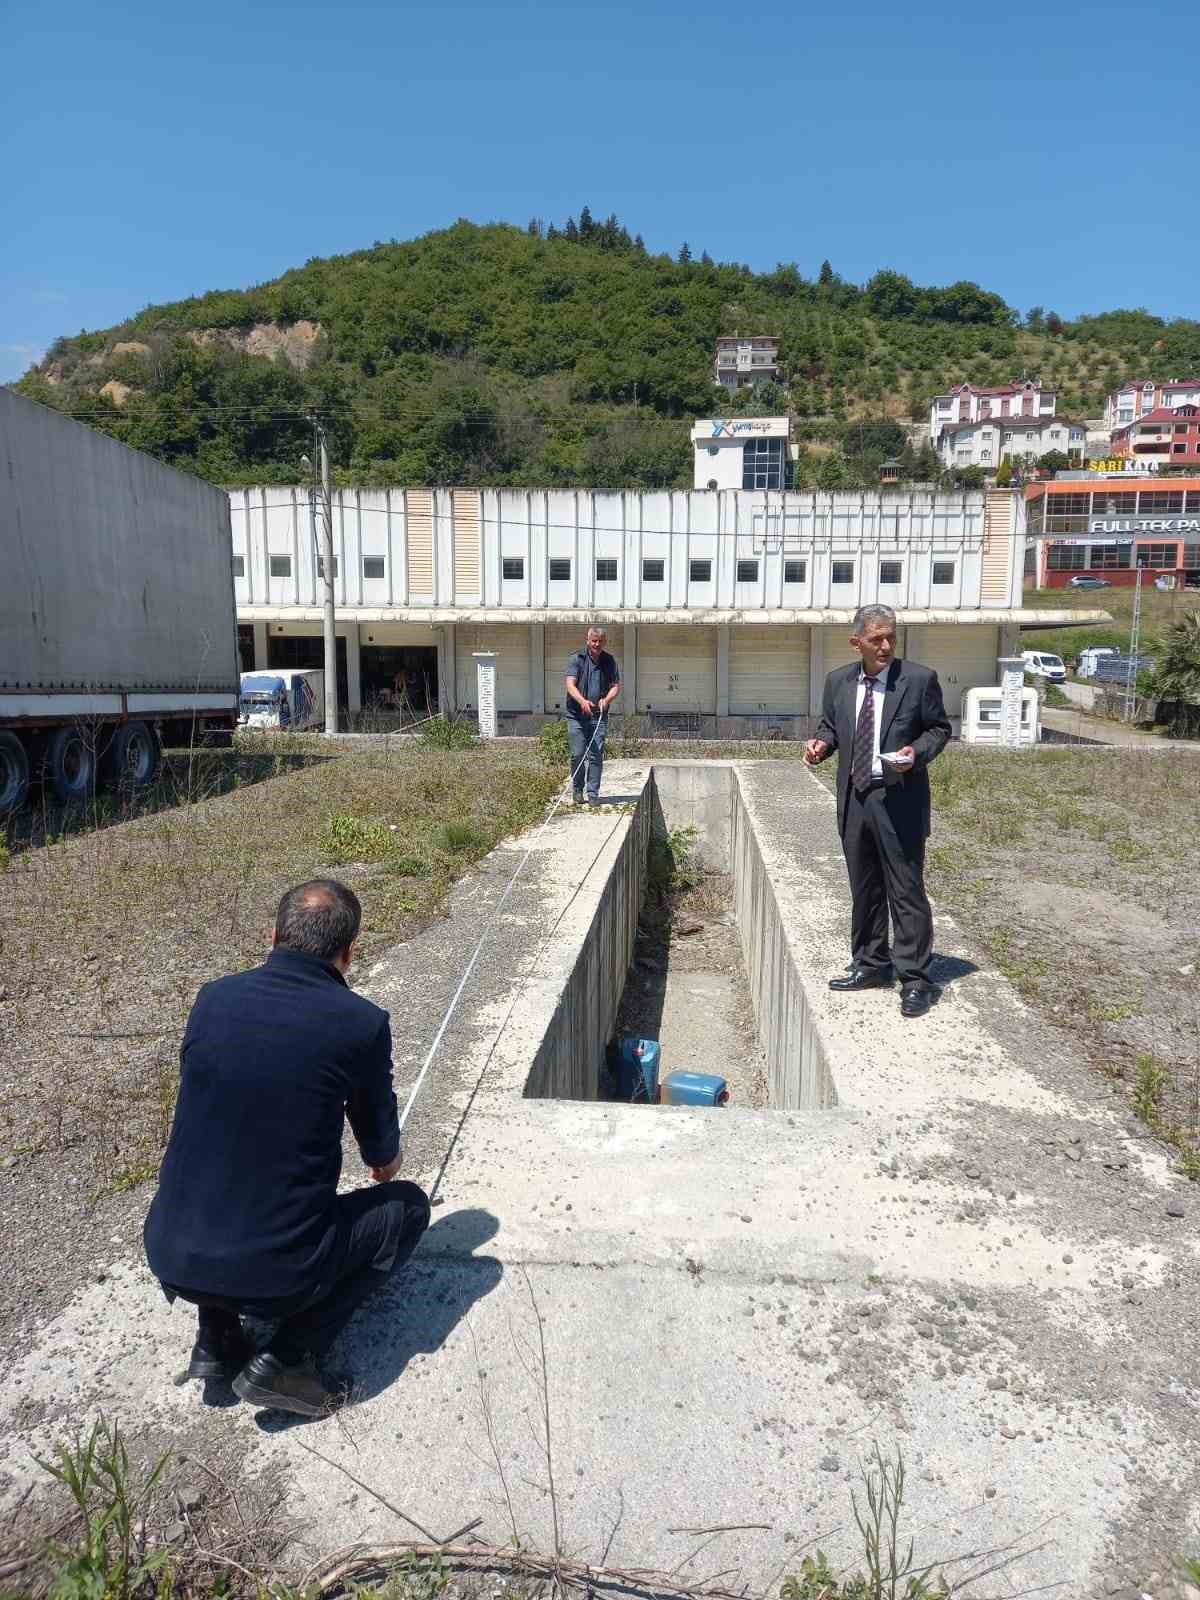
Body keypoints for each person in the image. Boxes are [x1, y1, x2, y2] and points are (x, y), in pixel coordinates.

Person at [144, 879, 430, 1416]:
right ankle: (290, 1359)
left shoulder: (213, 998)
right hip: (277, 1272)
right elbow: (380, 1153)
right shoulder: (360, 1023)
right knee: (408, 1208)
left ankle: (216, 1341)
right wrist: (387, 1162)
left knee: (225, 1161)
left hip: (170, 1250)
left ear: (272, 935)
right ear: (348, 954)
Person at [803, 605, 951, 1020]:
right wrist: (819, 746)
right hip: (854, 798)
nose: (886, 645)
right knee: (864, 887)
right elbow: (830, 727)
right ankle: (871, 965)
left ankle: (916, 979)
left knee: (905, 889)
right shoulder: (838, 682)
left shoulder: (919, 680)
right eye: (876, 639)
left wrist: (915, 753)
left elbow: (939, 729)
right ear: (857, 643)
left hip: (898, 798)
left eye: (891, 637)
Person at [564, 627, 621, 805]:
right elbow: (570, 684)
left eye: (600, 641)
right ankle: (577, 790)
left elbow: (615, 686)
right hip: (576, 715)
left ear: (604, 642)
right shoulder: (576, 658)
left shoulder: (609, 660)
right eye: (594, 640)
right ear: (587, 640)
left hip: (598, 716)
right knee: (578, 753)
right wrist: (582, 701)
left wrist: (607, 699)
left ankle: (593, 793)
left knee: (596, 754)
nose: (597, 644)